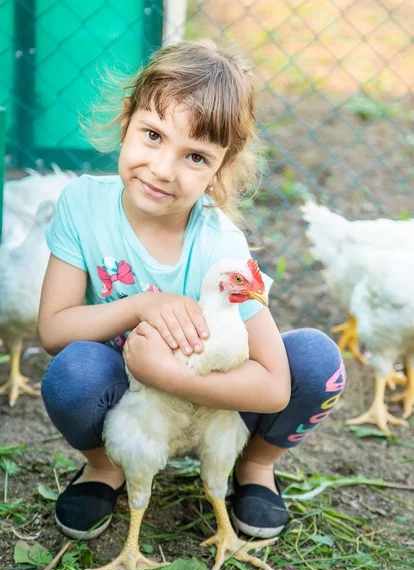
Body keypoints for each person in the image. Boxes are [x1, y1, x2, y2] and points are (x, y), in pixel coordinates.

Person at [38, 39, 345, 542]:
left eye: (195, 156)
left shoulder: (220, 244)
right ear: (125, 122)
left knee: (314, 361)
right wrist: (142, 304)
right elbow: (53, 329)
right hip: (129, 398)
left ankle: (256, 465)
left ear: (220, 168)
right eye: (153, 135)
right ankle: (105, 466)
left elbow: (273, 386)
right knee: (72, 372)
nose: (163, 169)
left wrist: (175, 378)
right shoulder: (82, 206)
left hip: (217, 404)